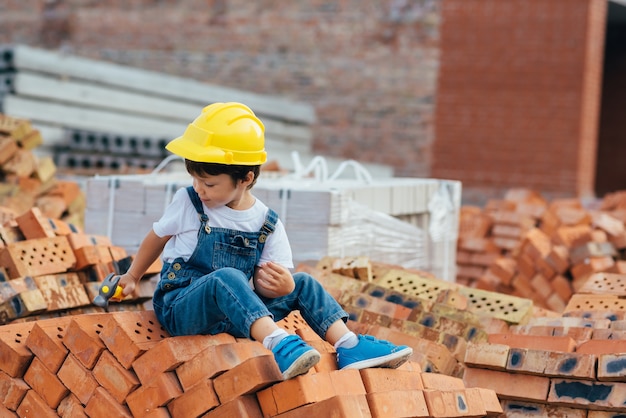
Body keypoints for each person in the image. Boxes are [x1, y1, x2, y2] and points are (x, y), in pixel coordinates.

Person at [115, 102, 413, 379]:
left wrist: (284, 286)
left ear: (245, 178)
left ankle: (349, 345)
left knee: (303, 283)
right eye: (195, 179)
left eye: (209, 183)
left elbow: (269, 281)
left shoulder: (266, 223)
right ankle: (277, 344)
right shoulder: (189, 202)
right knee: (227, 278)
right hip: (182, 309)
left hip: (237, 316)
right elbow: (158, 236)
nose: (199, 189)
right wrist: (132, 275)